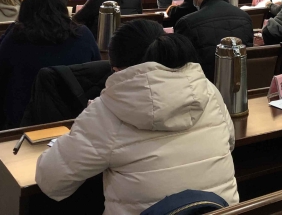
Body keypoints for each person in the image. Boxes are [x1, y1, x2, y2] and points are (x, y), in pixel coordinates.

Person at [35, 21, 239, 214]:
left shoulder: (106, 110)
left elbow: (50, 180)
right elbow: (230, 142)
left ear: (118, 70)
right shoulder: (208, 90)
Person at [0, 0, 100, 127]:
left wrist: (12, 27)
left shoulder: (18, 35)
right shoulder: (83, 33)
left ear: (25, 10)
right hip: (74, 118)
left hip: (25, 122)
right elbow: (96, 69)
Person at [175, 0, 253, 80]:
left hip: (203, 84)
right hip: (241, 81)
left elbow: (181, 64)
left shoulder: (187, 23)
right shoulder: (245, 17)